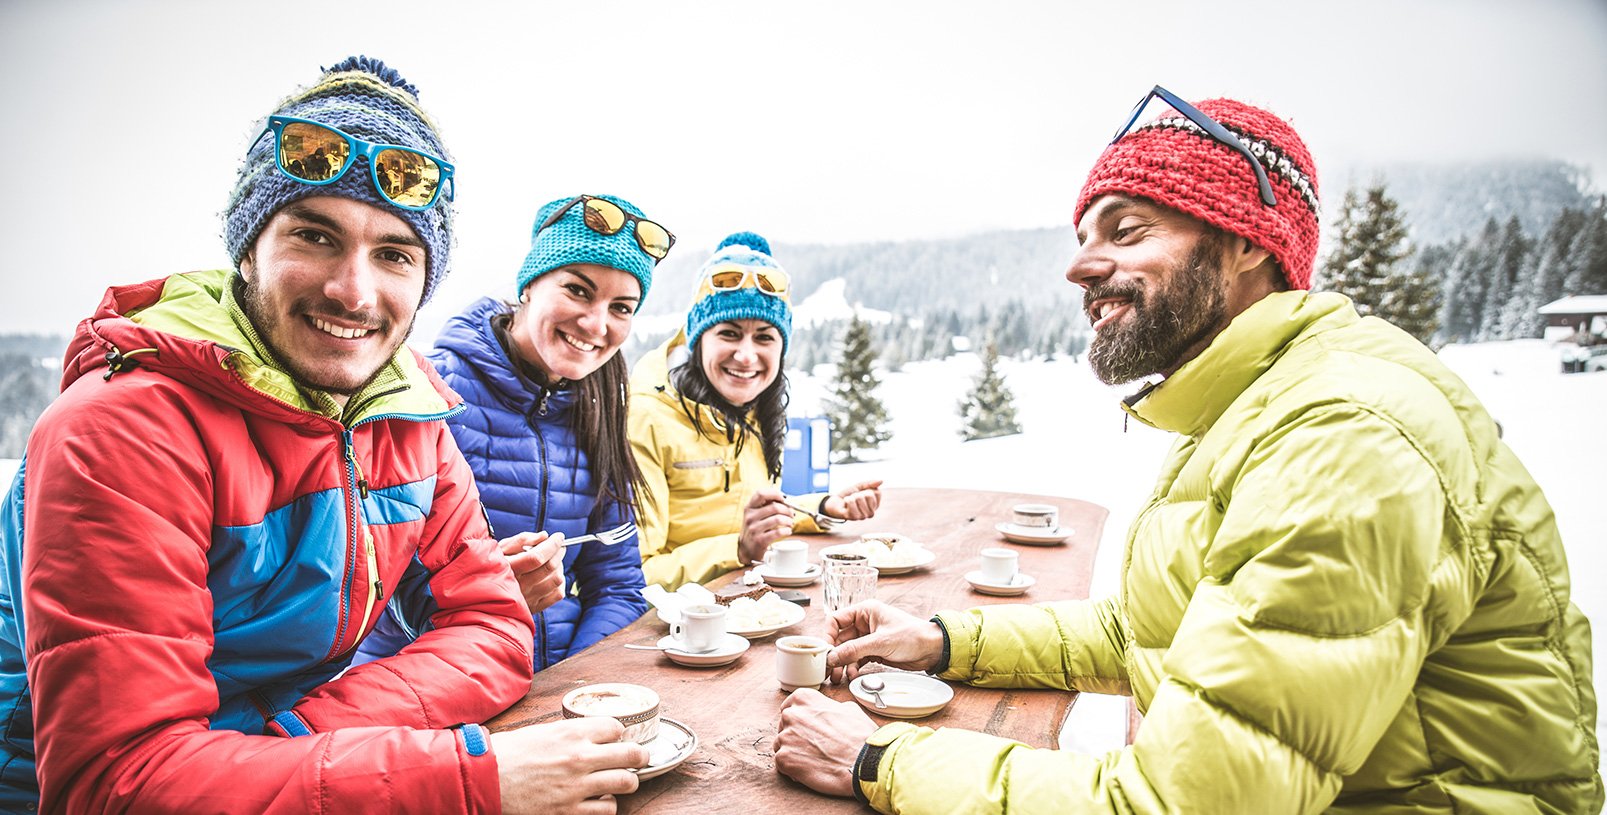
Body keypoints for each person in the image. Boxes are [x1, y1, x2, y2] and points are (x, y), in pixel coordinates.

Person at [773, 88, 1601, 813]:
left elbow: (1192, 802)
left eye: (1125, 230)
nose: (1080, 267)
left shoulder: (1339, 437)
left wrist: (879, 759)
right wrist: (945, 641)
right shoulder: (1264, 401)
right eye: (1085, 236)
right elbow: (1157, 631)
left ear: (1248, 244)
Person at [0, 57, 647, 813]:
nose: (354, 289)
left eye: (394, 254)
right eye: (314, 235)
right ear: (248, 250)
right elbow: (117, 780)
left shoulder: (407, 420)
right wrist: (459, 777)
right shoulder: (123, 430)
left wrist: (309, 737)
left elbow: (495, 621)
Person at [357, 193, 666, 671]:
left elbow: (618, 586)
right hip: (422, 688)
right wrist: (485, 592)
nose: (596, 323)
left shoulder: (598, 413)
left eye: (621, 307)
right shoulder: (430, 398)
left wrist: (569, 681)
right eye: (578, 291)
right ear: (529, 286)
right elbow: (371, 592)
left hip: (553, 688)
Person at [629, 232, 883, 590]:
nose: (746, 356)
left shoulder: (751, 411)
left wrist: (823, 508)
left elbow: (742, 515)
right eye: (729, 334)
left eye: (764, 337)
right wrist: (738, 548)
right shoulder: (648, 418)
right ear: (698, 340)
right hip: (672, 627)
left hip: (741, 605)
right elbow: (634, 573)